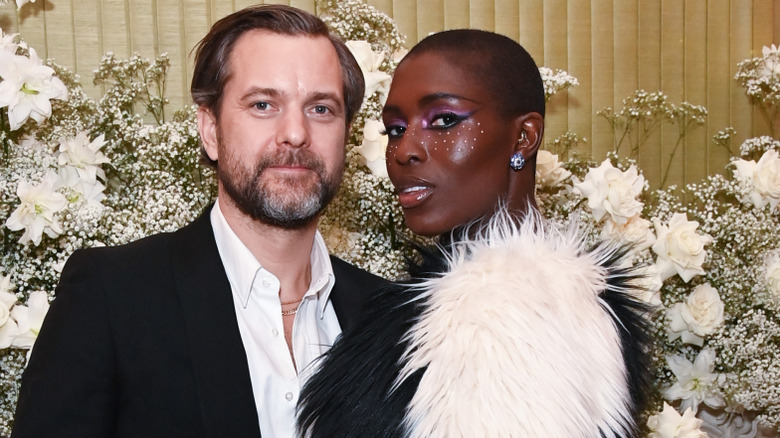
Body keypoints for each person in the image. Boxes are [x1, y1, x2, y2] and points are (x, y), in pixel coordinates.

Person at [12, 5, 386, 438]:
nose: (296, 133)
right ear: (210, 130)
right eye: (263, 104)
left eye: (321, 109)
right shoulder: (112, 297)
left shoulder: (387, 318)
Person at [297, 29, 653, 437]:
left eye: (444, 121)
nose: (404, 150)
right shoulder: (508, 304)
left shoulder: (498, 317)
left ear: (524, 137)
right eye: (396, 128)